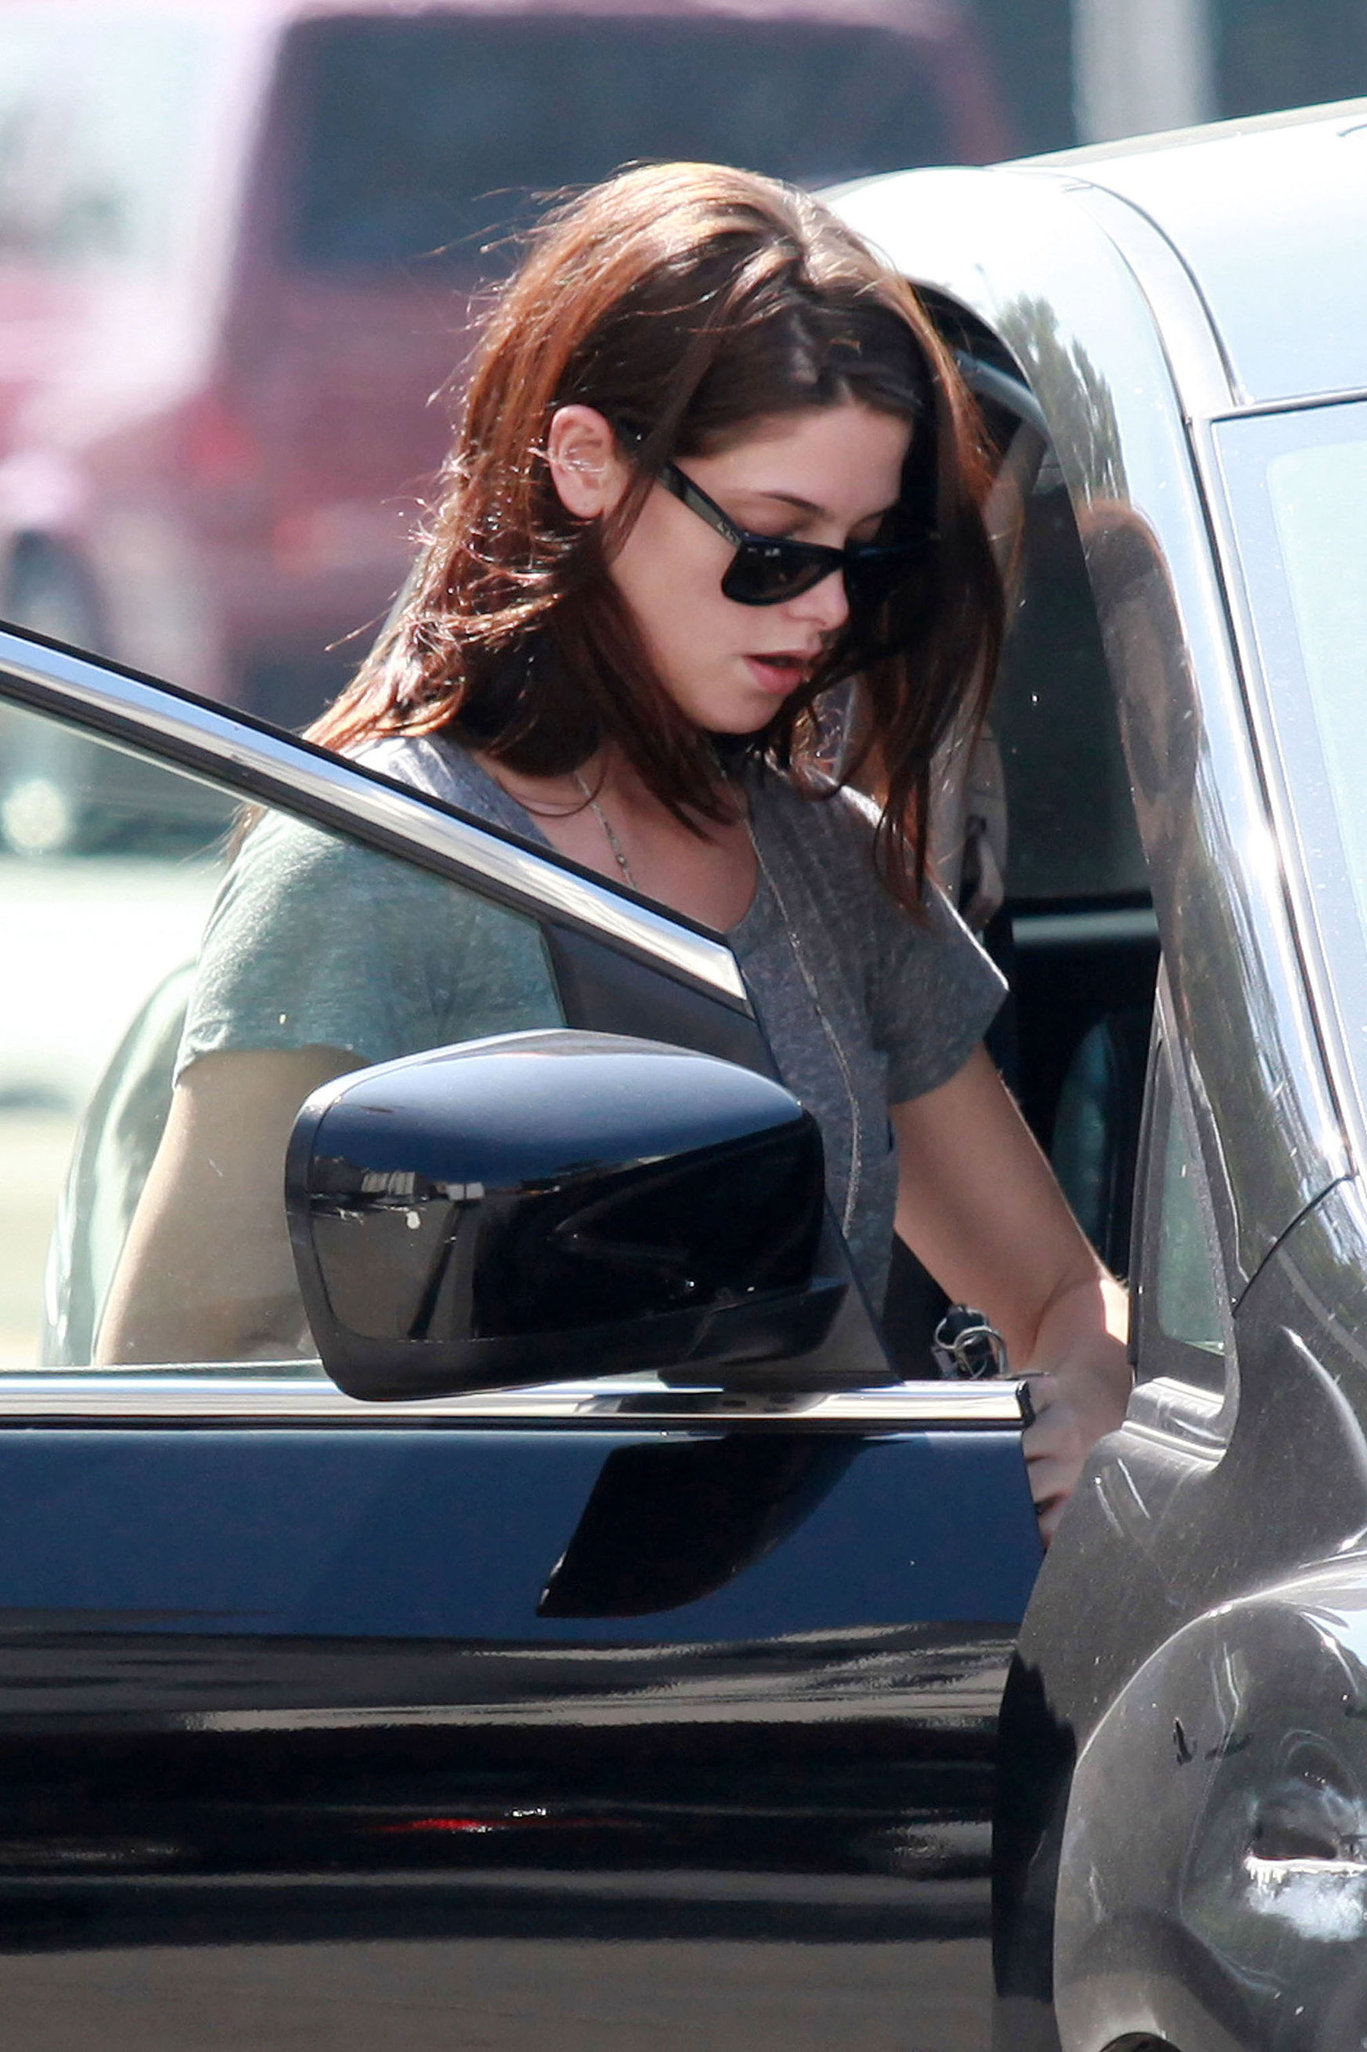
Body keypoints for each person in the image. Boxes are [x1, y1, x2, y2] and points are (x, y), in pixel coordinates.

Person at [98, 162, 1130, 1539]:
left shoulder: (826, 857)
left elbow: (1057, 1291)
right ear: (587, 463)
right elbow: (159, 1412)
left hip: (824, 1664)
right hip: (479, 1689)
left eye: (868, 556)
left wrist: (1091, 1393)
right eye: (772, 546)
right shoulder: (374, 866)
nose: (825, 608)